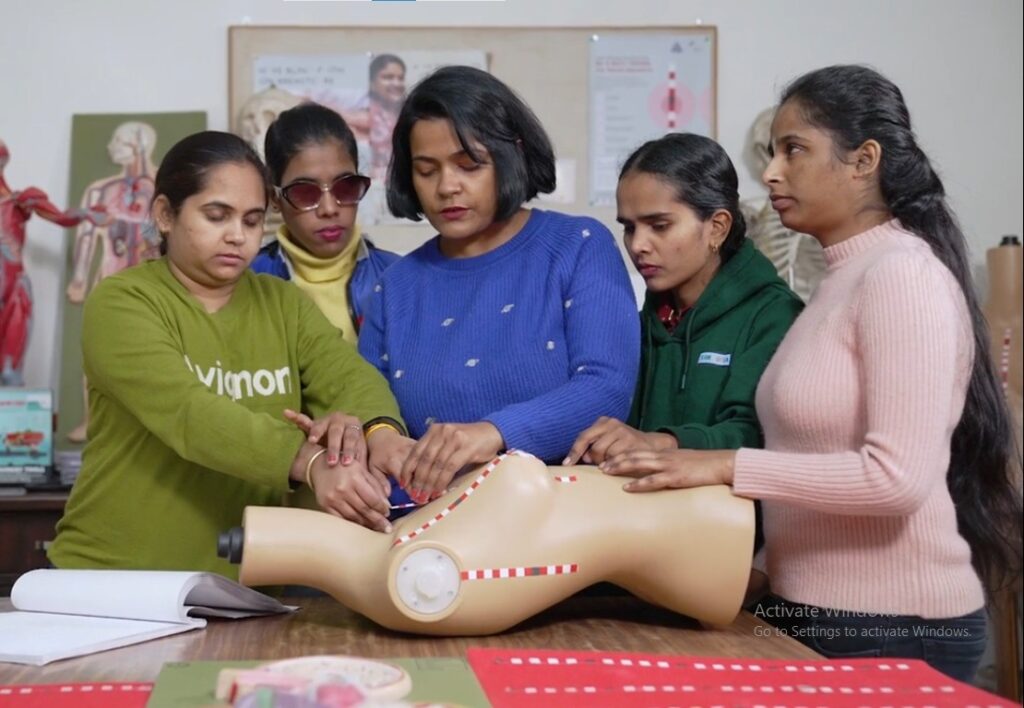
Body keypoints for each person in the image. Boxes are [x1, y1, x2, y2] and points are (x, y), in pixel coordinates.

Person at [593, 65, 1023, 683]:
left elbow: (896, 479)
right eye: (772, 153)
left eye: (794, 150)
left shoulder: (902, 275)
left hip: (890, 625)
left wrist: (720, 463)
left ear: (863, 161)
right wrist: (765, 570)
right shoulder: (842, 279)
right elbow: (808, 458)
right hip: (815, 611)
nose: (770, 173)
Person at [49, 131, 407, 579]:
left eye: (253, 221)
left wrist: (379, 436)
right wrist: (309, 459)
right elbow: (189, 414)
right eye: (217, 216)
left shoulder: (283, 303)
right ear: (164, 214)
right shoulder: (122, 302)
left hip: (248, 586)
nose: (238, 236)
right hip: (118, 581)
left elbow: (350, 378)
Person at [356, 66, 640, 508]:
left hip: (570, 530)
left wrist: (493, 433)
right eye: (426, 170)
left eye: (469, 165)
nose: (447, 187)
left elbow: (606, 389)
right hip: (430, 538)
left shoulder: (577, 247)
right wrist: (382, 435)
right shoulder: (396, 286)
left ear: (511, 157)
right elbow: (365, 395)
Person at [219, 452, 755, 635]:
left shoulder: (390, 575)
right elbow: (520, 488)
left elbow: (520, 488)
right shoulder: (390, 575)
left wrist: (509, 479)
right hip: (701, 541)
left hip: (704, 538)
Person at [565, 134, 802, 469]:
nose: (638, 245)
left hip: (729, 518)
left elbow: (763, 438)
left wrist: (662, 442)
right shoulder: (639, 323)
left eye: (659, 226)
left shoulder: (774, 316)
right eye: (629, 228)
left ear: (717, 227)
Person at [252, 103, 399, 345]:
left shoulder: (397, 278)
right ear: (275, 199)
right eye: (305, 193)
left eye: (346, 187)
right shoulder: (247, 282)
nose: (329, 209)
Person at [65, 121, 160, 442]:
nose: (111, 148)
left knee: (152, 354)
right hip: (109, 277)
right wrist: (78, 278)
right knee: (96, 352)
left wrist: (121, 220)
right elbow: (87, 236)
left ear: (138, 146)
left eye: (118, 142)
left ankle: (147, 428)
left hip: (150, 282)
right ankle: (92, 419)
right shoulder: (100, 190)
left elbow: (156, 232)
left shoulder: (161, 189)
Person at [0, 139, 106, 385]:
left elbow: (60, 217)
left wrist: (87, 213)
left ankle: (14, 418)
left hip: (13, 288)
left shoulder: (20, 200)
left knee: (9, 370)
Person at [341, 54, 407, 182]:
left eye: (400, 78)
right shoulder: (369, 115)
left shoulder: (407, 112)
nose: (396, 83)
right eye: (388, 77)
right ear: (372, 83)